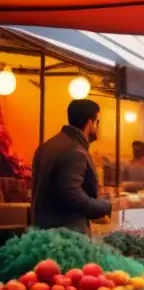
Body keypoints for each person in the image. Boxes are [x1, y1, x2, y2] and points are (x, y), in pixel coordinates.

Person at [32, 99, 113, 234]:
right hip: (66, 236)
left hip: (44, 232)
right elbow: (73, 196)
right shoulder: (75, 151)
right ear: (90, 122)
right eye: (98, 123)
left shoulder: (47, 146)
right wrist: (106, 206)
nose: (99, 128)